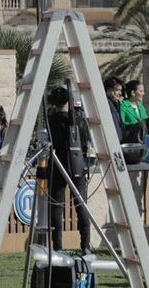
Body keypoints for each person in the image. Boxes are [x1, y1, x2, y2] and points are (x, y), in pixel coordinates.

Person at [46, 87, 92, 254]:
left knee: (56, 206)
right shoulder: (79, 119)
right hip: (77, 163)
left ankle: (57, 246)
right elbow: (86, 140)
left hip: (57, 164)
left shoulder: (50, 120)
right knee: (81, 206)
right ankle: (85, 245)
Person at [104, 76, 124, 141]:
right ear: (108, 89)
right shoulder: (106, 104)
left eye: (120, 90)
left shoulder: (115, 104)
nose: (120, 93)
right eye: (117, 90)